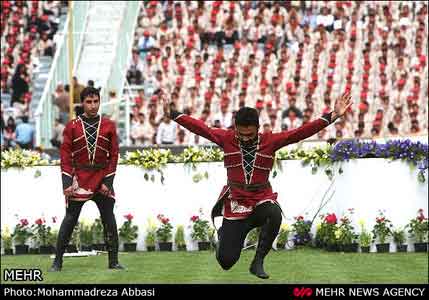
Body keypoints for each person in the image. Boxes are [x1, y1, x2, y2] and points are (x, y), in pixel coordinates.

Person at [162, 92, 352, 279]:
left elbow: (299, 133)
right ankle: (225, 236)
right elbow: (201, 128)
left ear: (258, 128)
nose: (245, 138)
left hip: (261, 200)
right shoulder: (226, 138)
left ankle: (258, 262)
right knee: (226, 261)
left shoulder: (270, 141)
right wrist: (173, 114)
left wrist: (333, 115)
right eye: (241, 134)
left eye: (250, 134)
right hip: (235, 205)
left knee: (274, 213)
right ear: (235, 128)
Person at [49, 87, 124, 272]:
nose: (92, 106)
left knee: (109, 219)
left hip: (102, 178)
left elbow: (114, 155)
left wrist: (108, 182)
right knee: (70, 219)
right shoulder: (71, 126)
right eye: (88, 102)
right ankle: (57, 262)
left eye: (95, 101)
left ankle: (113, 261)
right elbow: (65, 155)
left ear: (99, 102)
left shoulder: (109, 125)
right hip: (80, 179)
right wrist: (66, 183)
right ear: (82, 103)